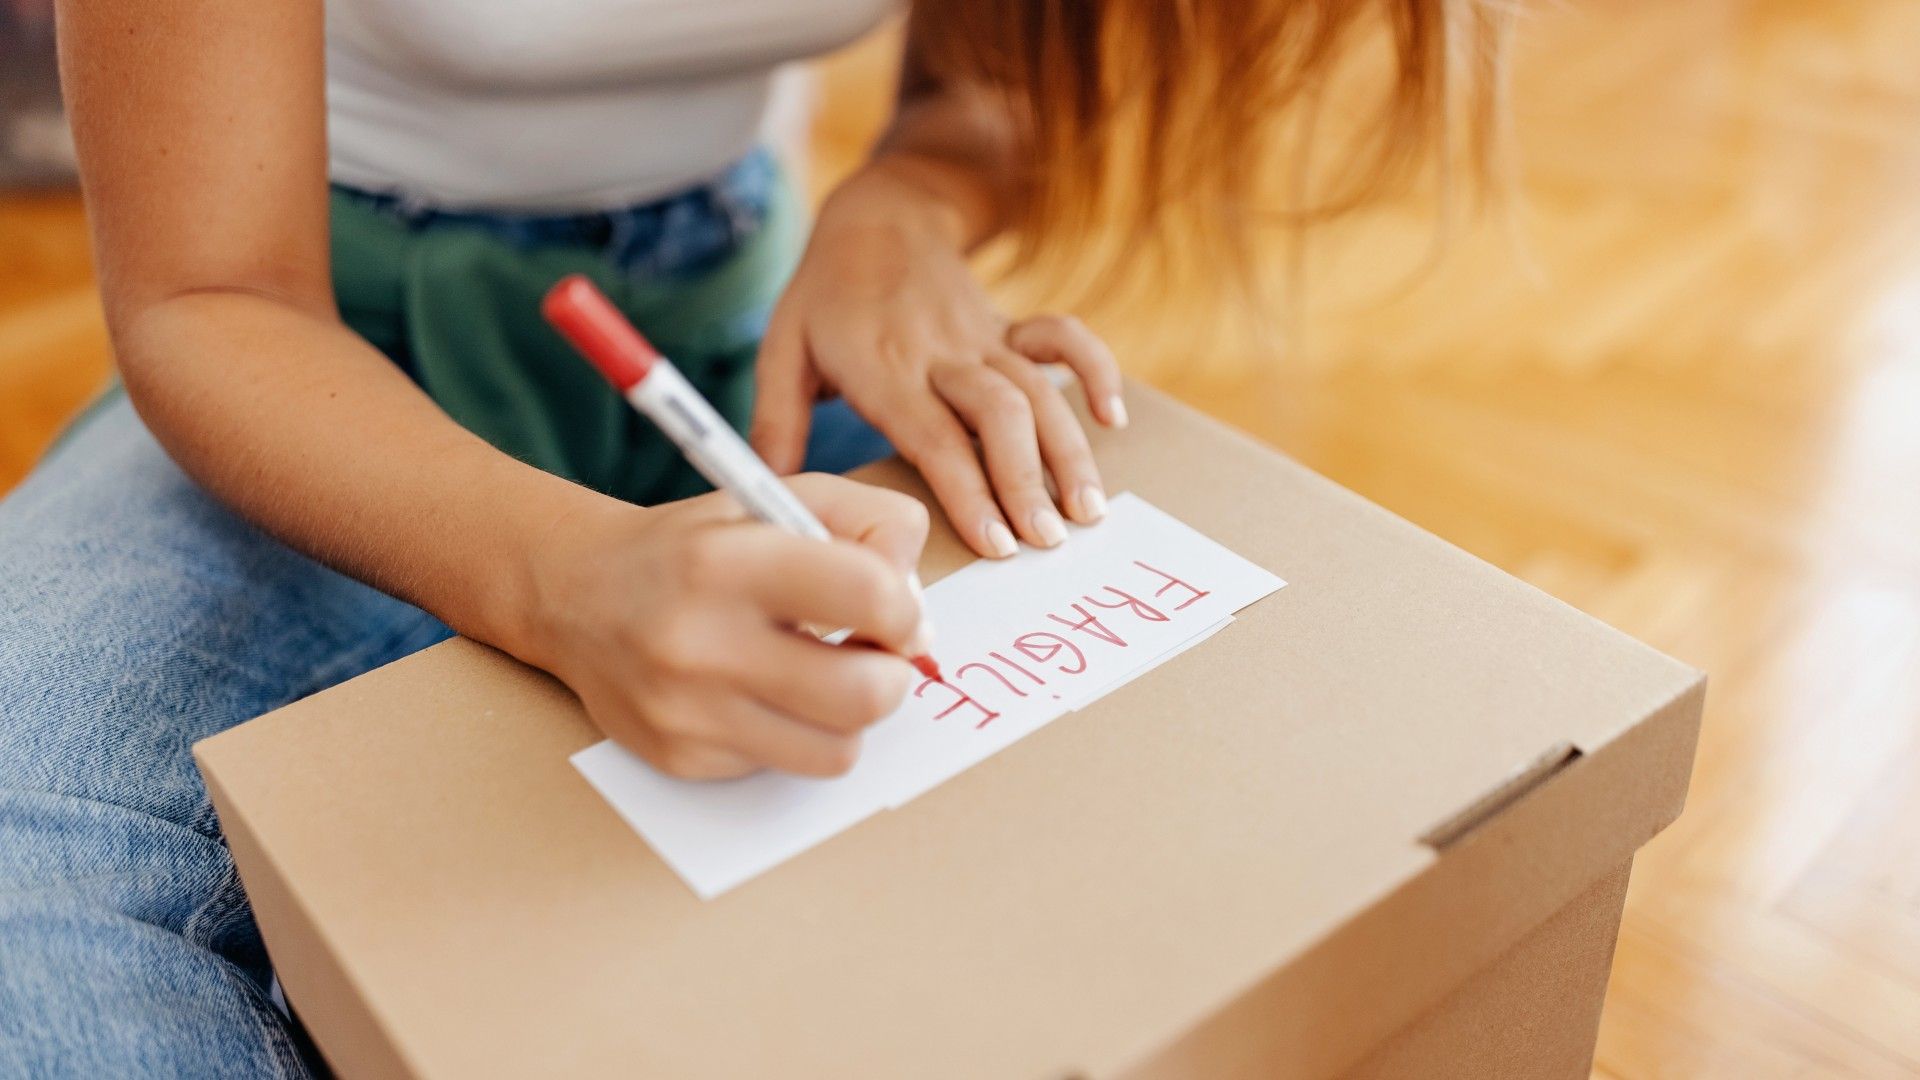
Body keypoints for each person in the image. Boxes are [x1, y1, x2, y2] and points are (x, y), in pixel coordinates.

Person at [0, 0, 1507, 1073]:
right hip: (302, 356)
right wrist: (557, 577)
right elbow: (213, 294)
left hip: (760, 349)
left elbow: (1004, 77)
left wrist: (904, 208)